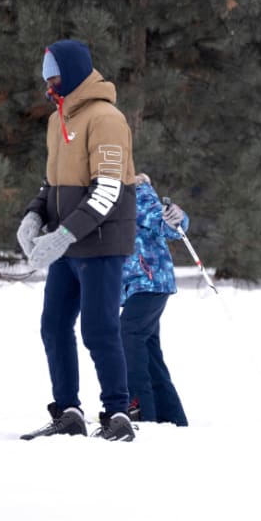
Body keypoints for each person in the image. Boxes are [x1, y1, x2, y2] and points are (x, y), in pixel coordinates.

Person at [17, 39, 138, 442]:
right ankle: (68, 411)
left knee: (99, 330)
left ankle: (118, 415)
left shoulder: (106, 118)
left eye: (53, 73)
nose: (48, 82)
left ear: (71, 71)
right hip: (66, 246)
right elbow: (52, 182)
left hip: (99, 244)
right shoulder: (59, 119)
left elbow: (108, 190)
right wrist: (35, 214)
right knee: (53, 326)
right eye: (44, 75)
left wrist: (65, 233)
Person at [120, 173, 190, 427]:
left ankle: (140, 408)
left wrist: (176, 218)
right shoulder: (110, 199)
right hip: (138, 286)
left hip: (149, 281)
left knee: (127, 334)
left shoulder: (138, 194)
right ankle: (171, 415)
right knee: (148, 349)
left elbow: (163, 221)